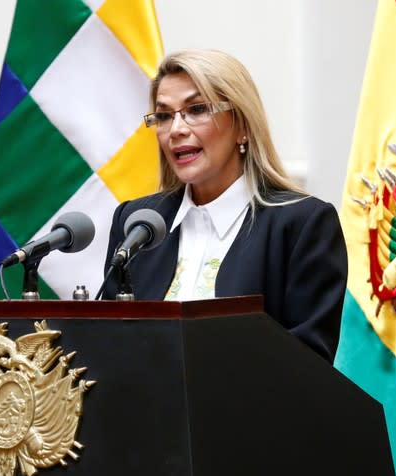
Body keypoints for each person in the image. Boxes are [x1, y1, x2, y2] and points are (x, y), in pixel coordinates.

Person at [102, 49, 348, 363]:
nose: (176, 129)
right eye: (164, 115)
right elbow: (106, 344)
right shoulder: (139, 223)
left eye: (197, 109)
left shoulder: (302, 225)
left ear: (242, 126)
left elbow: (308, 364)